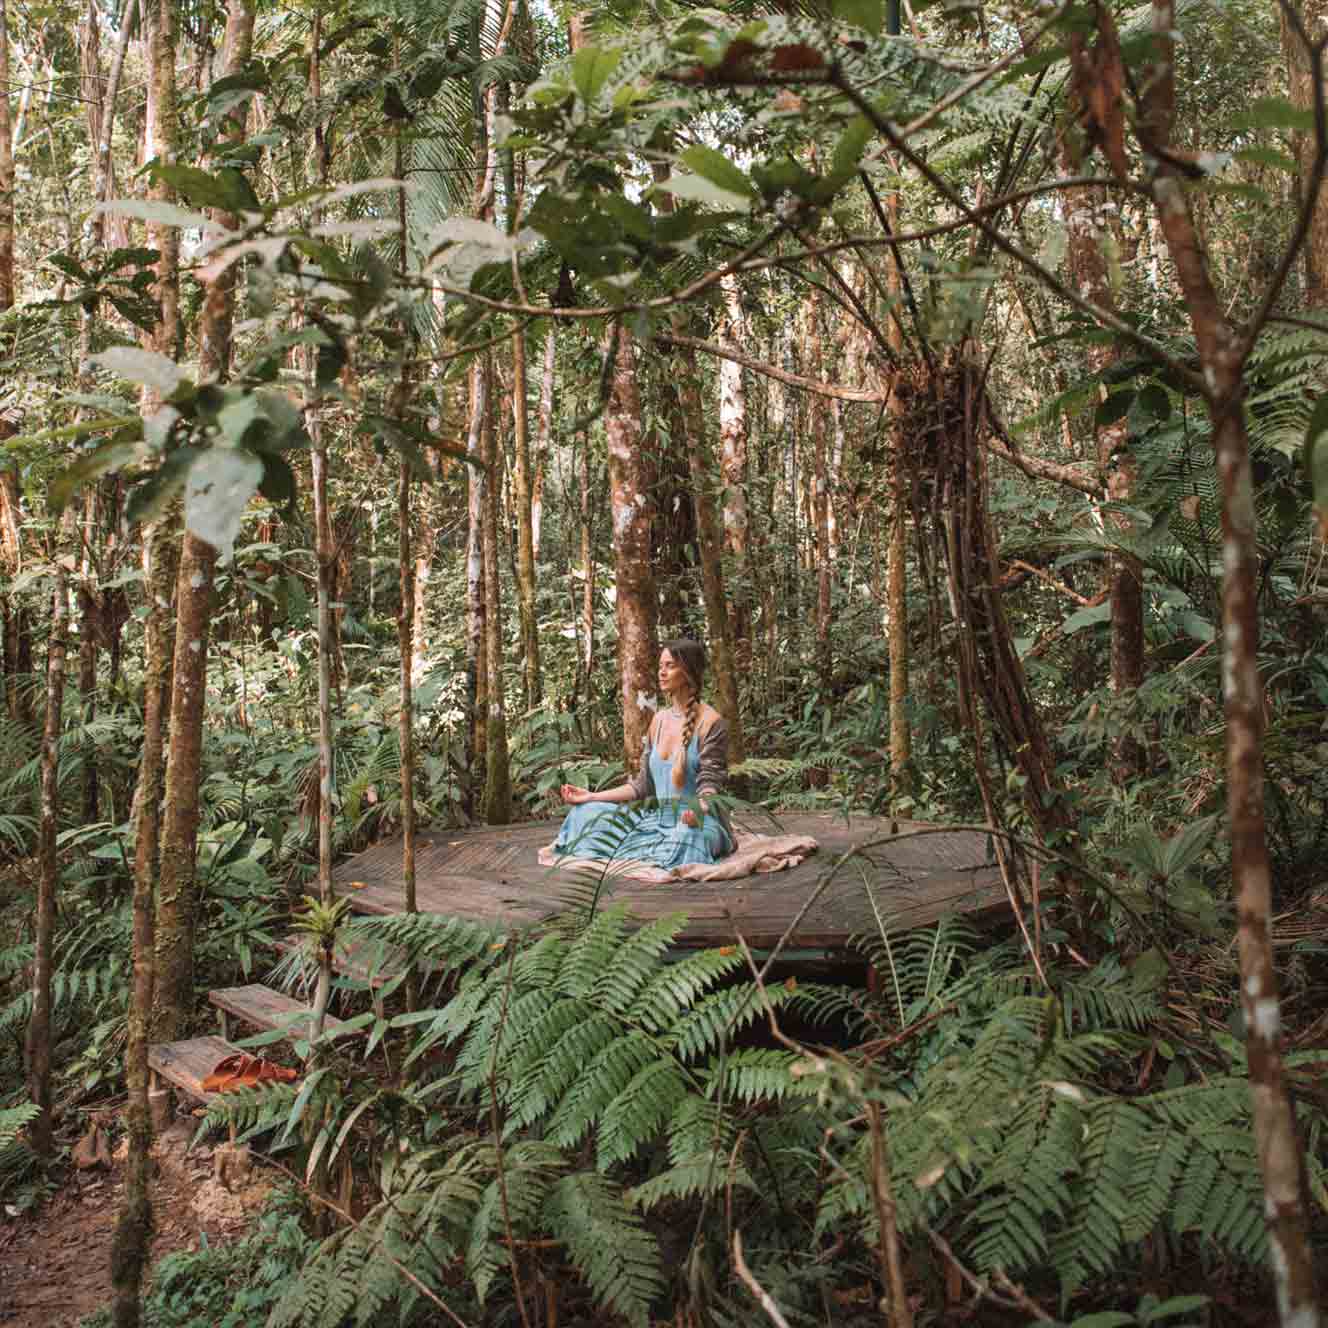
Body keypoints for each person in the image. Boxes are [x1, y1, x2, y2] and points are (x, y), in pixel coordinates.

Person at [551, 639, 735, 870]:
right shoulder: (658, 720)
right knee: (585, 814)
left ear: (688, 671)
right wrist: (591, 796)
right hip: (656, 821)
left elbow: (711, 787)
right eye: (660, 666)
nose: (662, 672)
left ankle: (648, 851)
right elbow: (642, 786)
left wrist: (697, 810)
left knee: (687, 837)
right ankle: (653, 851)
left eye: (670, 666)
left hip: (698, 822)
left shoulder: (711, 722)